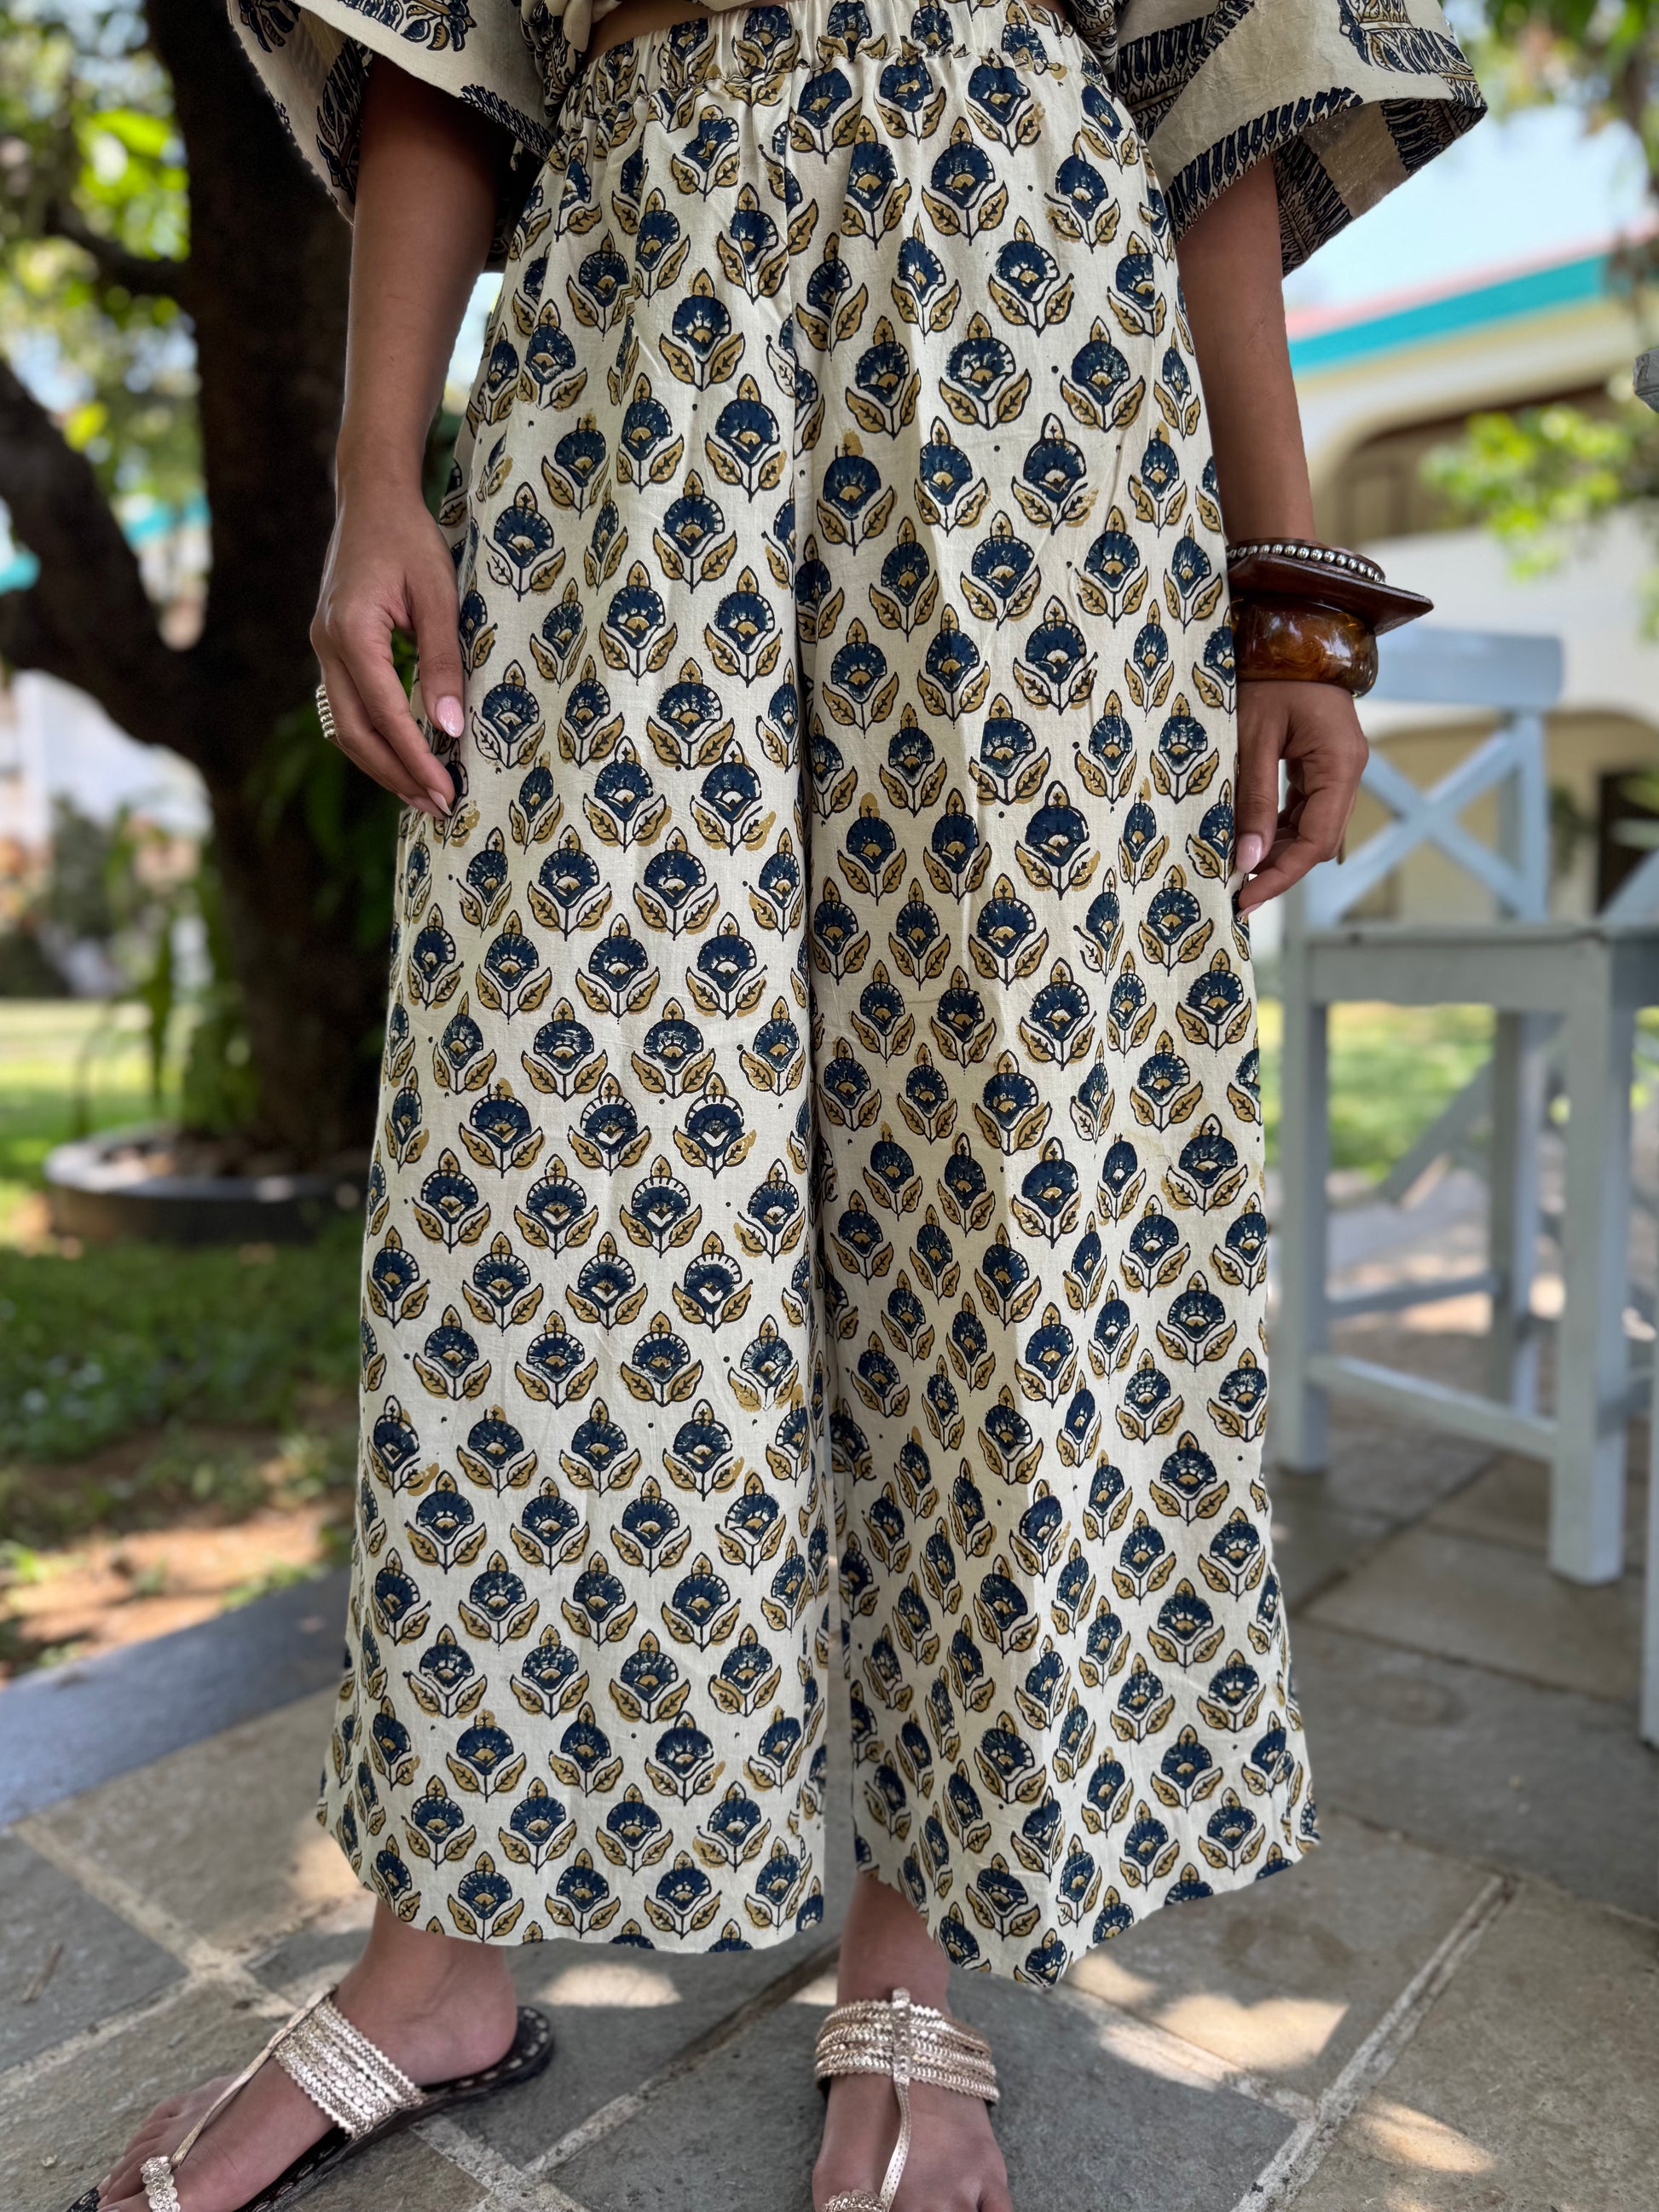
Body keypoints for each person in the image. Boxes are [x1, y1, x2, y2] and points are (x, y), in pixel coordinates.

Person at [82, 3, 1483, 2208]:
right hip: (630, 313)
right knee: (545, 1150)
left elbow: (1214, 84)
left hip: (1031, 328)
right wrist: (376, 475)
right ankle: (438, 1952)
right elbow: (441, 46)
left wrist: (1287, 606)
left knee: (995, 1152)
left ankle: (913, 1934)